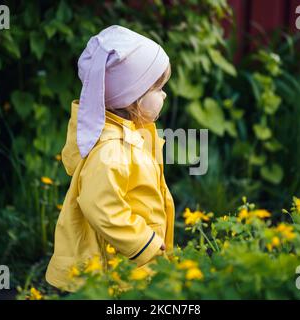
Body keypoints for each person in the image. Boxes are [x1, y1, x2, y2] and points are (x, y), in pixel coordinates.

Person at [45, 25, 175, 292]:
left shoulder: (131, 133)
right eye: (158, 88)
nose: (164, 94)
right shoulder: (111, 151)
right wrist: (143, 242)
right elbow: (101, 206)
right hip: (110, 270)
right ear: (132, 99)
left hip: (126, 263)